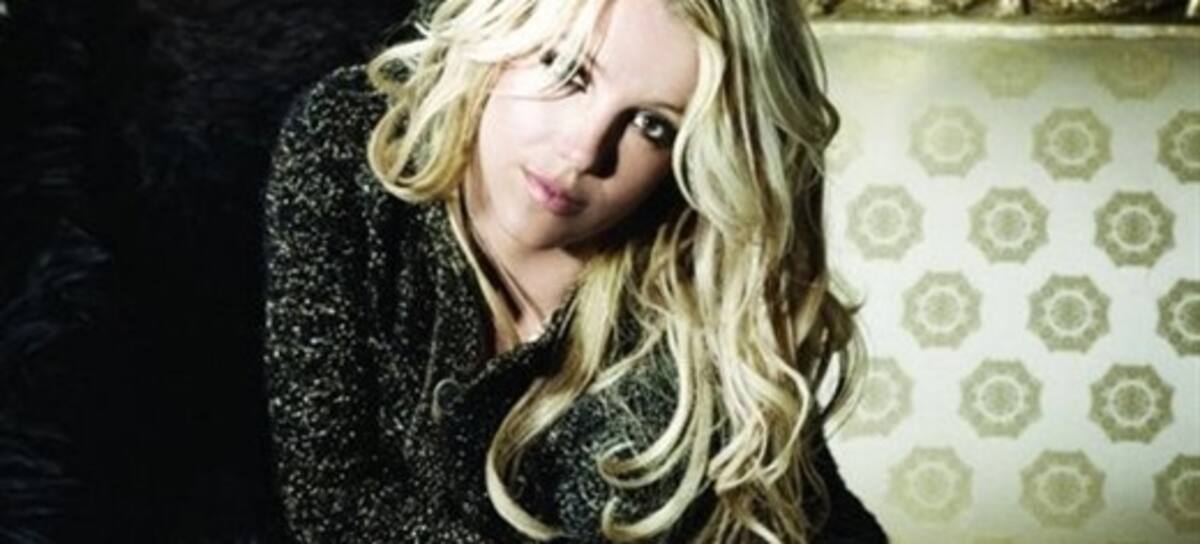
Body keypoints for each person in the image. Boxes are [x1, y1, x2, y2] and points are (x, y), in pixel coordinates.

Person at [261, 0, 889, 542]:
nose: (584, 150)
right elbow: (332, 500)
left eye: (652, 125)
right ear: (503, 26)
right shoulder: (355, 145)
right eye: (567, 70)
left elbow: (816, 519)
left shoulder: (686, 305)